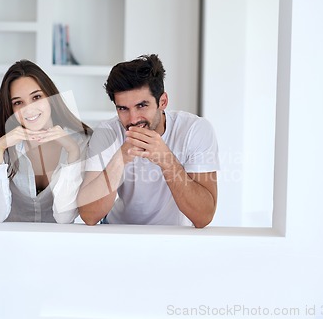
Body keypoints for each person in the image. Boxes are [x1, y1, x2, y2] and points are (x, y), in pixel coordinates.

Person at [77, 54, 219, 228]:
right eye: (123, 109)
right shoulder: (107, 132)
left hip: (173, 235)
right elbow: (89, 216)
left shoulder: (194, 129)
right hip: (118, 231)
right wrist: (120, 158)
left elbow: (204, 216)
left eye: (141, 106)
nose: (133, 119)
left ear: (163, 101)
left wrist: (166, 160)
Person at [0, 59, 92, 223]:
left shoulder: (80, 141)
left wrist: (72, 150)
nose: (28, 109)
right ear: (11, 108)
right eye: (18, 102)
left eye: (36, 97)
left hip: (56, 243)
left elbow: (64, 218)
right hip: (8, 241)